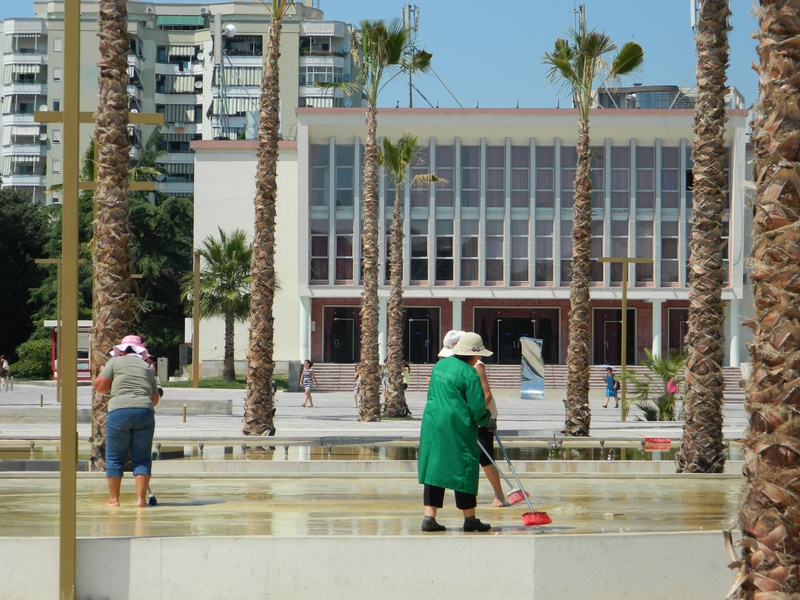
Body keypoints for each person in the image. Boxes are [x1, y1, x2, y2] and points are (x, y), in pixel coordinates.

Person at [418, 332, 493, 533]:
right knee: (464, 467)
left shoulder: (439, 366)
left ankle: (429, 517)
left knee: (435, 467)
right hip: (457, 425)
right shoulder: (469, 373)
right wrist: (486, 420)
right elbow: (477, 408)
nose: (479, 359)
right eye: (478, 355)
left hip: (433, 423)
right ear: (472, 354)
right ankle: (470, 519)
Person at [440, 331, 507, 508]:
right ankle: (466, 497)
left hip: (483, 417)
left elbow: (487, 395)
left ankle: (499, 495)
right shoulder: (457, 366)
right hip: (468, 417)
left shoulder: (477, 366)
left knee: (485, 457)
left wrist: (477, 415)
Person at [93, 335, 160, 508]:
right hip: (144, 412)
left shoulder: (115, 362)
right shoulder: (147, 368)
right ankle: (141, 500)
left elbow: (100, 386)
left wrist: (102, 371)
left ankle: (114, 500)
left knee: (115, 457)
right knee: (142, 459)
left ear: (121, 350)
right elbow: (154, 398)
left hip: (119, 412)